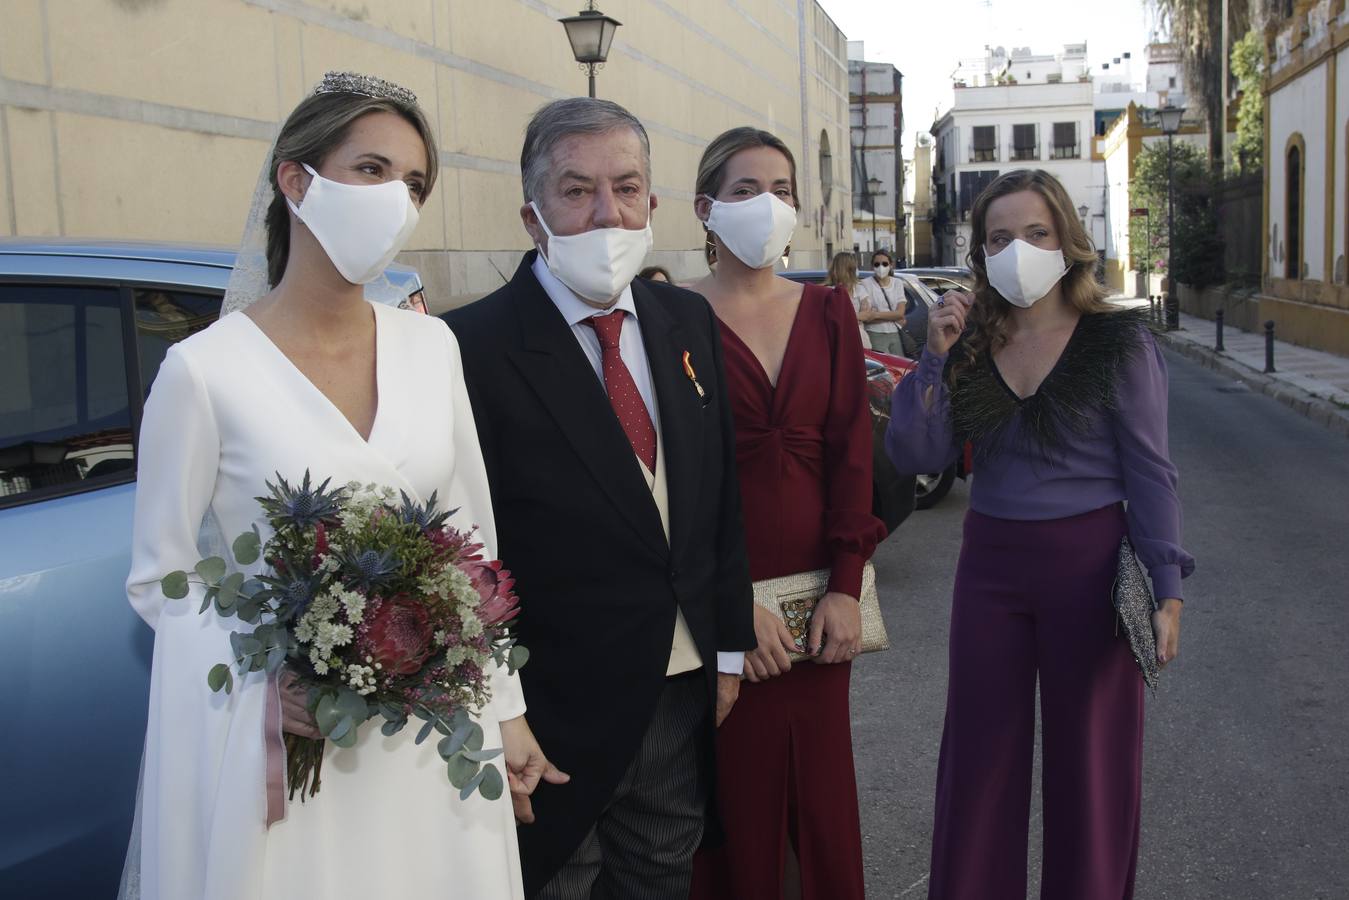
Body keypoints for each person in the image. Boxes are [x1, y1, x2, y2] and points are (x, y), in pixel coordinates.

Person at [121, 73, 558, 900]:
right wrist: (263, 683)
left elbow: (475, 551)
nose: (396, 198)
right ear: (297, 181)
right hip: (295, 745)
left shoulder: (432, 350)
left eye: (415, 183)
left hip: (434, 739)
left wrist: (506, 707)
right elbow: (160, 579)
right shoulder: (203, 373)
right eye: (371, 169)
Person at [442, 98, 755, 900]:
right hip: (552, 708)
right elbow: (462, 546)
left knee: (661, 875)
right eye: (576, 190)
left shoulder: (684, 319)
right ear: (532, 213)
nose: (605, 212)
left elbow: (715, 497)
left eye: (625, 186)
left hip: (681, 691)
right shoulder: (467, 347)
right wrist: (494, 709)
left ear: (652, 202)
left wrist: (724, 649)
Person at [885, 169, 1193, 899]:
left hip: (1088, 570)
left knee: (1090, 767)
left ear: (1065, 242)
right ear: (980, 253)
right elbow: (916, 456)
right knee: (978, 761)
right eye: (998, 238)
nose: (1016, 249)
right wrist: (934, 352)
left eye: (1034, 233)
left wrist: (1168, 589)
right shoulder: (965, 344)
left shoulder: (1116, 342)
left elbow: (1150, 472)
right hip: (989, 568)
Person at [687, 127, 885, 900]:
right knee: (732, 799)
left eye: (781, 190)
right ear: (706, 209)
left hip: (816, 604)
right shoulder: (667, 316)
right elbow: (672, 485)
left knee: (822, 798)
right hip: (718, 600)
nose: (766, 206)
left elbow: (853, 455)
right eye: (744, 191)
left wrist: (845, 582)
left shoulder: (830, 310)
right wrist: (727, 606)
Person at [853, 247, 910, 356]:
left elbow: (900, 313)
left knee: (899, 368)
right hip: (874, 334)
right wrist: (893, 316)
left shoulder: (897, 283)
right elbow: (867, 317)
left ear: (890, 265)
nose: (881, 267)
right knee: (883, 369)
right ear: (872, 266)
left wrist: (876, 314)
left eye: (884, 264)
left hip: (895, 333)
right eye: (877, 264)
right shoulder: (865, 284)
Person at [827, 250, 870, 350]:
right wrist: (856, 317)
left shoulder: (859, 289)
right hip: (837, 340)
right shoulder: (829, 292)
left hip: (859, 339)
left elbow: (866, 314)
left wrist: (845, 318)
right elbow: (832, 319)